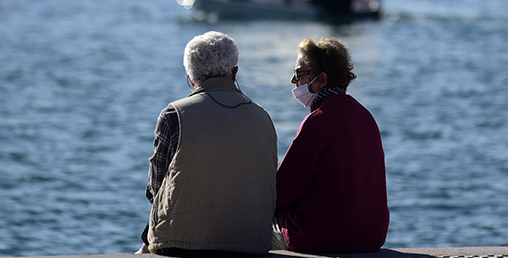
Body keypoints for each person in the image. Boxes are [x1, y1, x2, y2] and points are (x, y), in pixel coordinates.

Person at [141, 31, 278, 255]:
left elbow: (155, 189)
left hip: (180, 243)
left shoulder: (174, 115)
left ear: (191, 78)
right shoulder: (263, 117)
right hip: (252, 243)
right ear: (235, 73)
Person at [273, 37, 389, 253]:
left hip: (321, 235)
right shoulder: (365, 116)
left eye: (299, 74)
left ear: (323, 79)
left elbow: (282, 191)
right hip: (372, 236)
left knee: (256, 222)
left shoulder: (318, 120)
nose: (292, 80)